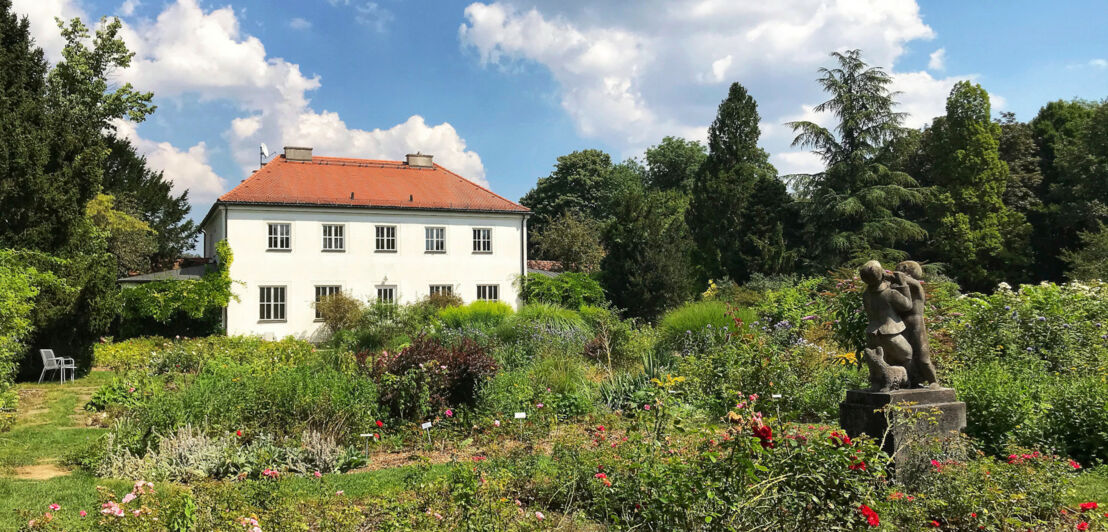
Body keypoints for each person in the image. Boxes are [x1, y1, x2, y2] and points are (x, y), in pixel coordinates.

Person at [859, 260, 914, 369]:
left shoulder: (866, 294)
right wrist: (903, 284)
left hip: (871, 334)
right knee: (908, 355)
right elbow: (907, 305)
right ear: (881, 273)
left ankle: (879, 381)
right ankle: (906, 382)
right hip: (889, 333)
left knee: (880, 360)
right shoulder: (890, 294)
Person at [892, 260, 939, 387]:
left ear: (905, 268)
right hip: (903, 324)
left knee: (923, 357)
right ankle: (912, 380)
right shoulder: (901, 285)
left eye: (899, 268)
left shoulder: (916, 284)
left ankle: (933, 381)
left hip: (916, 324)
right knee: (907, 356)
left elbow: (899, 278)